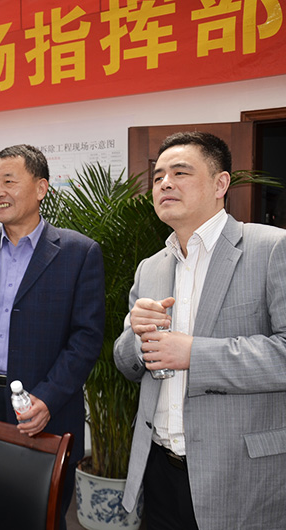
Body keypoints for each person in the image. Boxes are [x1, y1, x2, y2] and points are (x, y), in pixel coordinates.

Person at [114, 131, 286, 529]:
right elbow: (126, 363)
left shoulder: (272, 248)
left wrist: (193, 354)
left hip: (240, 475)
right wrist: (137, 340)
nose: (165, 183)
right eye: (158, 176)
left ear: (220, 183)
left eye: (180, 172)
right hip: (159, 468)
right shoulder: (150, 267)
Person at [0, 144, 105, 526]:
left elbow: (86, 337)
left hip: (44, 410)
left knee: (39, 516)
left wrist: (47, 398)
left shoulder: (79, 253)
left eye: (9, 182)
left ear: (41, 188)